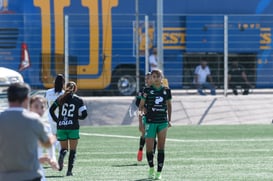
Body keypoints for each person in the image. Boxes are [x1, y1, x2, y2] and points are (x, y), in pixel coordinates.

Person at [0, 82, 56, 181]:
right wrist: (53, 137)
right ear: (27, 99)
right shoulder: (33, 119)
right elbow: (47, 144)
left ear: (8, 98)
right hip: (30, 175)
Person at [139, 69, 172, 180]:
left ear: (161, 78)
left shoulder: (166, 90)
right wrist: (140, 122)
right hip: (150, 122)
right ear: (151, 78)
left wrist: (169, 120)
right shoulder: (147, 90)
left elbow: (169, 105)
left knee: (161, 147)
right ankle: (151, 168)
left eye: (158, 76)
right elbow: (140, 106)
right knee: (149, 148)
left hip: (162, 122)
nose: (156, 78)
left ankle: (159, 172)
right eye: (154, 76)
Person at [49, 81, 88, 176]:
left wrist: (57, 120)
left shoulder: (60, 98)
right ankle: (69, 171)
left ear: (65, 88)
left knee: (64, 148)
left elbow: (51, 110)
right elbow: (84, 114)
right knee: (73, 150)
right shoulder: (78, 100)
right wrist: (76, 117)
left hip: (61, 125)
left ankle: (62, 154)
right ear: (75, 89)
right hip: (73, 126)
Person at [29, 95, 59, 181]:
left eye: (42, 107)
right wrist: (38, 159)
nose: (39, 110)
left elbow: (50, 146)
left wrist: (53, 159)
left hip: (38, 171)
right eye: (36, 106)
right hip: (23, 172)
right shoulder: (23, 125)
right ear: (30, 108)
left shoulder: (46, 127)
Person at [135, 72, 157, 162]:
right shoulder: (143, 90)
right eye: (145, 79)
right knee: (144, 134)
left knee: (153, 137)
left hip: (155, 116)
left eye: (148, 78)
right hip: (145, 116)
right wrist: (139, 122)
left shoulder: (157, 90)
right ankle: (140, 150)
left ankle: (153, 154)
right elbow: (137, 103)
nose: (147, 80)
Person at [45, 74, 65, 161]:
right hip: (60, 117)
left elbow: (47, 105)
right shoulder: (64, 94)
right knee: (59, 138)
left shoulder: (48, 92)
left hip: (50, 117)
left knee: (51, 136)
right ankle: (61, 151)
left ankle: (51, 157)